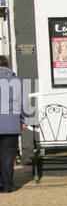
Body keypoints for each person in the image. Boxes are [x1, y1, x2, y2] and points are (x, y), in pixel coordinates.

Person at [0, 54, 26, 193]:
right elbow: (24, 102)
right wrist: (24, 119)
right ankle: (7, 185)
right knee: (8, 157)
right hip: (10, 123)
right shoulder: (15, 81)